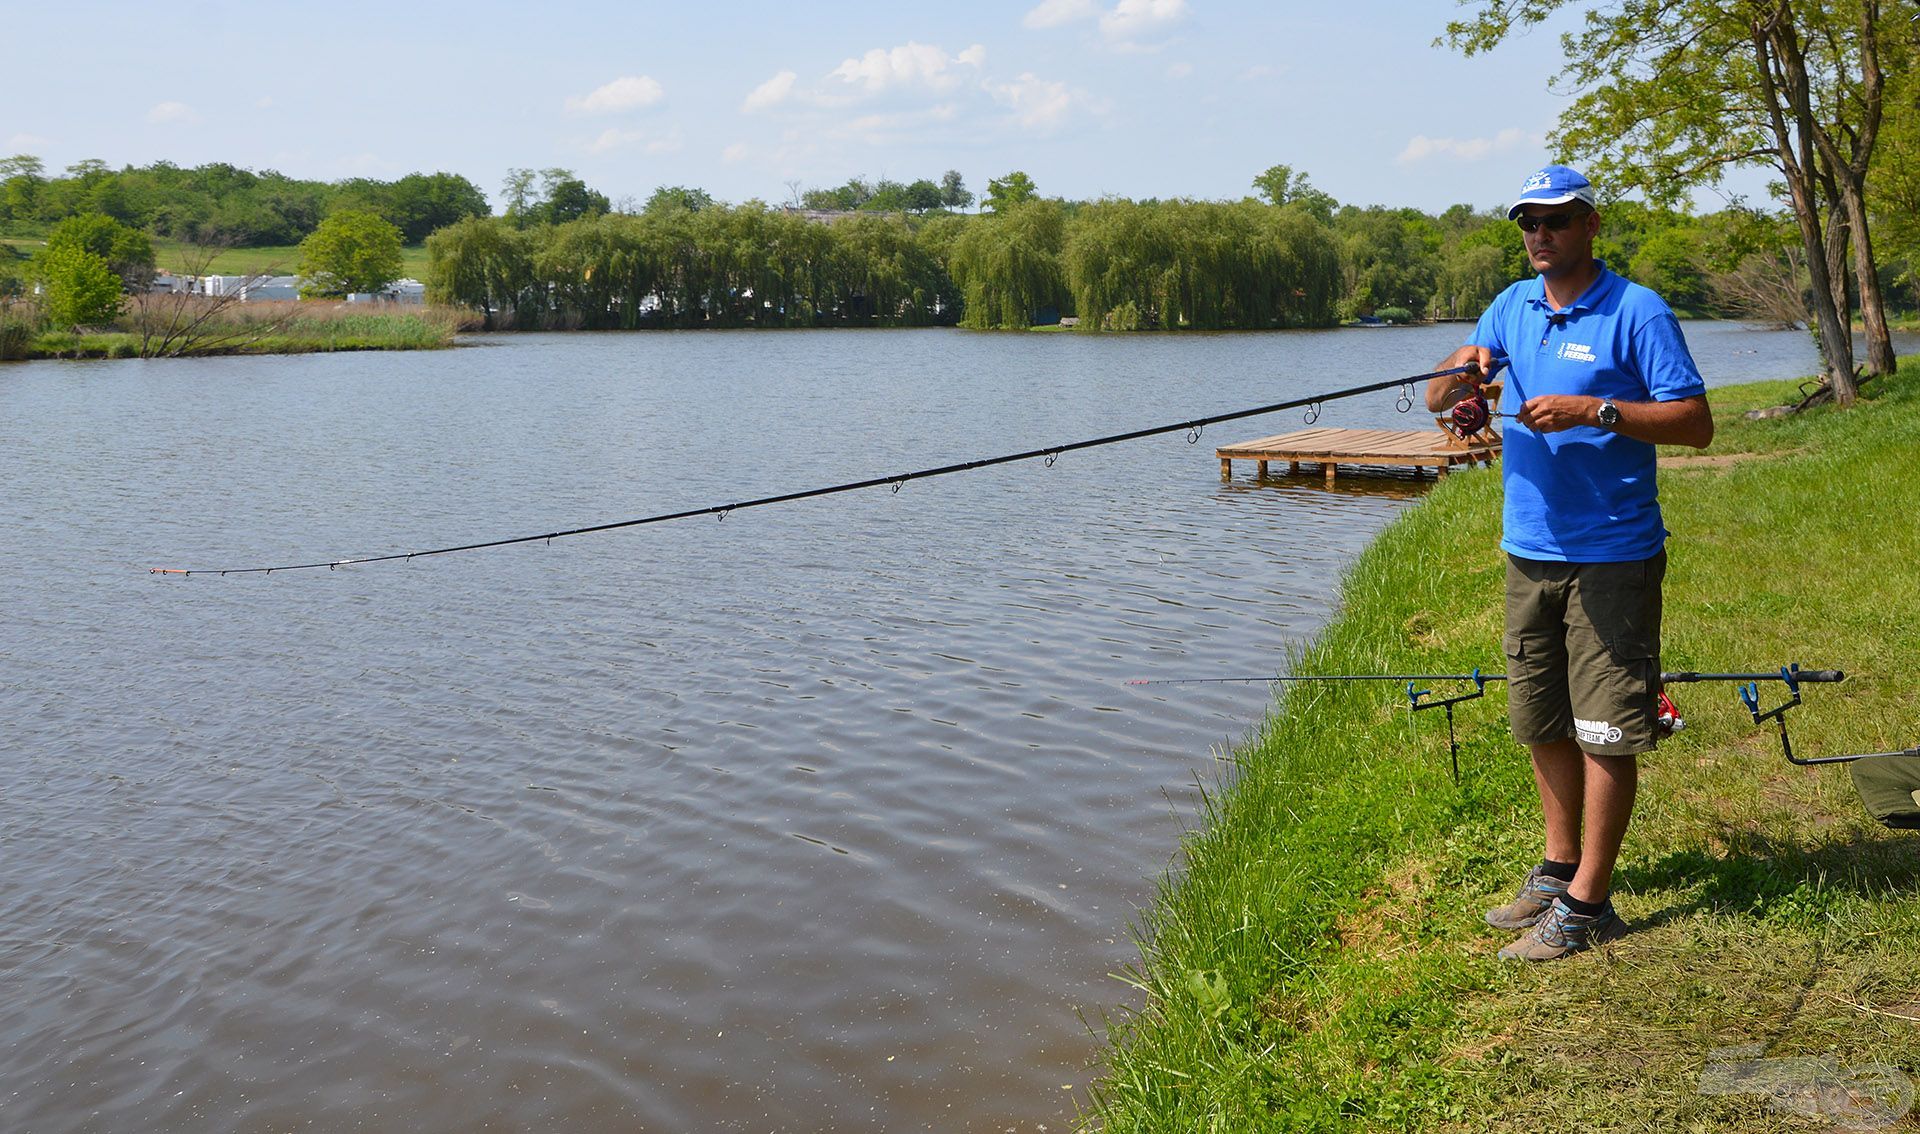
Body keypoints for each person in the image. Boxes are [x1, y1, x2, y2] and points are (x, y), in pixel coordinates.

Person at [1426, 164, 1714, 962]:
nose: (1539, 233)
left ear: (1590, 224)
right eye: (1528, 221)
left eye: (1555, 219)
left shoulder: (1638, 311)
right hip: (1529, 551)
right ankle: (1558, 868)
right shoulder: (1510, 307)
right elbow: (1437, 397)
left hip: (1614, 554)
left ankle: (1589, 905)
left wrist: (1599, 410)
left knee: (1606, 729)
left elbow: (1695, 423)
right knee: (1540, 719)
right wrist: (1464, 384)